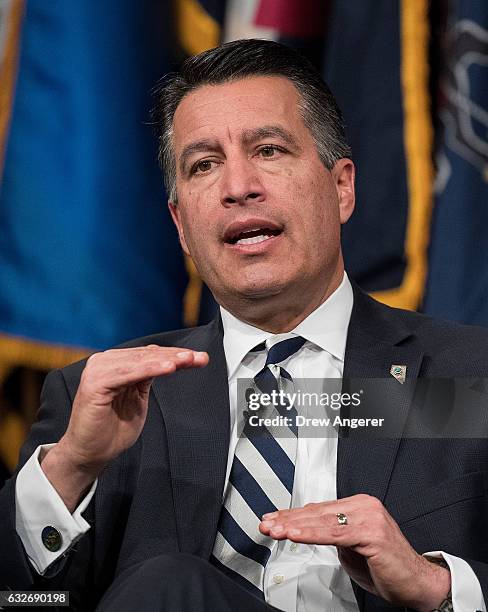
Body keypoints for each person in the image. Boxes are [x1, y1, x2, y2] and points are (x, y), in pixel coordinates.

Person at [1, 39, 487, 612]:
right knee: (168, 586)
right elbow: (23, 602)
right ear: (181, 225)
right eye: (204, 165)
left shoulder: (469, 378)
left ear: (341, 188)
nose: (238, 187)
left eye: (270, 150)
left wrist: (438, 587)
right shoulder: (110, 398)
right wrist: (72, 468)